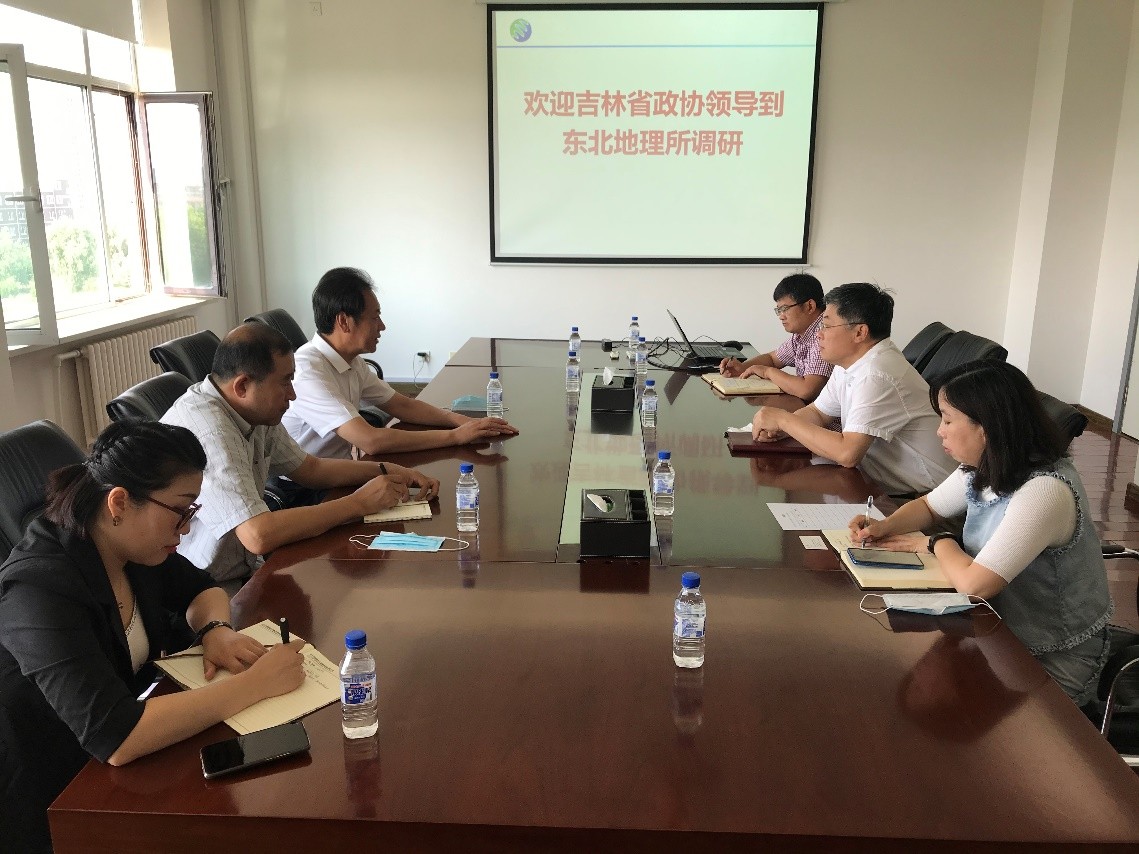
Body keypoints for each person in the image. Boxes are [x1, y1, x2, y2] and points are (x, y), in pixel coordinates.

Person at [0, 420, 307, 853]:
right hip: (51, 792)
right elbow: (117, 736)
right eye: (181, 512)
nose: (187, 529)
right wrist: (256, 684)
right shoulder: (39, 590)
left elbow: (202, 588)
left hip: (115, 764)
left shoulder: (128, 545)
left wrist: (216, 631)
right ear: (119, 502)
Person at [851, 360, 1112, 705]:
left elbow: (975, 586)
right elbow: (929, 507)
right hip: (997, 630)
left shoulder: (1044, 491)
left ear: (987, 427)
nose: (939, 431)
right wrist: (884, 526)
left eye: (947, 420)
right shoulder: (988, 465)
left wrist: (937, 542)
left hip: (1053, 655)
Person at [162, 322, 440, 586]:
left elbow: (311, 469)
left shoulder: (253, 410)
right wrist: (358, 504)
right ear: (242, 386)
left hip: (243, 567)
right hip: (203, 585)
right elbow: (258, 534)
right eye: (285, 382)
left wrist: (389, 469)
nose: (293, 395)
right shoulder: (210, 433)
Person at [283, 267, 519, 459]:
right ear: (344, 321)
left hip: (337, 472)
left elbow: (402, 405)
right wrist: (456, 436)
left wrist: (463, 421)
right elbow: (371, 441)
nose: (382, 326)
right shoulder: (307, 370)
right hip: (303, 489)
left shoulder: (351, 362)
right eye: (375, 317)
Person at [750, 283, 953, 495]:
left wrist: (784, 420)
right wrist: (778, 431)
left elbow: (847, 454)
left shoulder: (877, 374)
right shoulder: (850, 362)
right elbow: (818, 413)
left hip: (925, 496)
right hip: (874, 480)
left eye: (826, 326)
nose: (819, 334)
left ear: (859, 332)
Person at [717, 273, 832, 402]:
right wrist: (743, 368)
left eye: (785, 309)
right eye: (778, 310)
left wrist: (767, 372)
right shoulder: (801, 335)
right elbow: (773, 358)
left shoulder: (823, 333)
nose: (781, 316)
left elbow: (807, 390)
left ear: (809, 306)